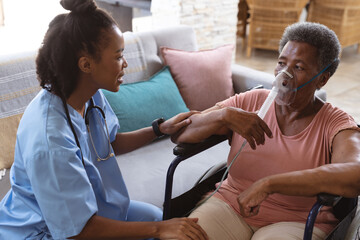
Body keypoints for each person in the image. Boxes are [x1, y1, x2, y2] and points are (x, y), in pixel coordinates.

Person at [0, 0, 208, 239]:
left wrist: (159, 129)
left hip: (88, 211)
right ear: (86, 64)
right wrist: (162, 229)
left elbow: (107, 144)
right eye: (119, 56)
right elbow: (78, 232)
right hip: (41, 230)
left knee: (153, 217)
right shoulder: (50, 139)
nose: (125, 63)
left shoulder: (89, 95)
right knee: (158, 227)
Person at [172, 22, 360, 240]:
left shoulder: (335, 123)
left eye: (298, 67)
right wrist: (224, 115)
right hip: (230, 206)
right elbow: (180, 135)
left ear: (322, 78)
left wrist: (269, 184)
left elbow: (355, 175)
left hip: (296, 220)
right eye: (281, 63)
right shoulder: (251, 101)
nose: (284, 76)